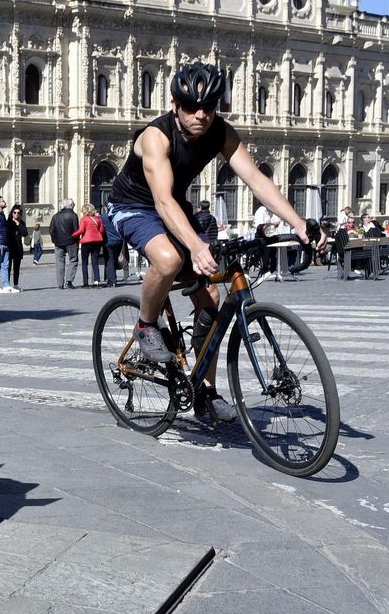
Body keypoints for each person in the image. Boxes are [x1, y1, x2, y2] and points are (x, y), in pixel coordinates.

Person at [106, 61, 308, 424]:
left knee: (212, 297)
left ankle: (205, 392)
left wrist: (299, 223)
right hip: (132, 204)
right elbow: (162, 201)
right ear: (174, 104)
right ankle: (145, 326)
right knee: (168, 260)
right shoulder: (156, 137)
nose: (201, 115)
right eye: (190, 107)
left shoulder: (219, 132)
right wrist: (196, 247)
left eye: (209, 107)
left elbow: (256, 180)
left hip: (173, 204)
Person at [50, 198, 80, 289]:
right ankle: (69, 280)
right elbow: (76, 230)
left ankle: (60, 283)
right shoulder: (73, 215)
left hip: (58, 243)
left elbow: (51, 230)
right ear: (70, 205)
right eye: (73, 204)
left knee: (59, 263)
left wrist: (54, 240)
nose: (74, 205)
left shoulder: (56, 216)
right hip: (71, 242)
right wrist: (76, 240)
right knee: (73, 260)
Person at [77, 203, 105, 286]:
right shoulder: (98, 219)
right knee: (95, 262)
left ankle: (85, 282)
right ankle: (97, 281)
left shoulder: (84, 219)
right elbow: (102, 230)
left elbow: (81, 230)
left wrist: (73, 235)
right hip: (97, 242)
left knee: (84, 262)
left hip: (86, 242)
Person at [102, 206, 126, 286]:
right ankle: (113, 278)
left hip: (108, 241)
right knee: (114, 259)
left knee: (109, 260)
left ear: (105, 208)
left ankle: (112, 280)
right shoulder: (118, 216)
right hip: (118, 241)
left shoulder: (103, 217)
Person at [6, 204, 27, 292]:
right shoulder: (8, 222)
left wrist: (18, 224)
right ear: (12, 213)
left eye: (18, 213)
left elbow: (25, 233)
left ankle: (16, 284)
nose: (16, 214)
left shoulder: (21, 223)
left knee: (17, 268)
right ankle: (6, 284)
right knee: (8, 267)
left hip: (18, 248)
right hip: (9, 247)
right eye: (14, 212)